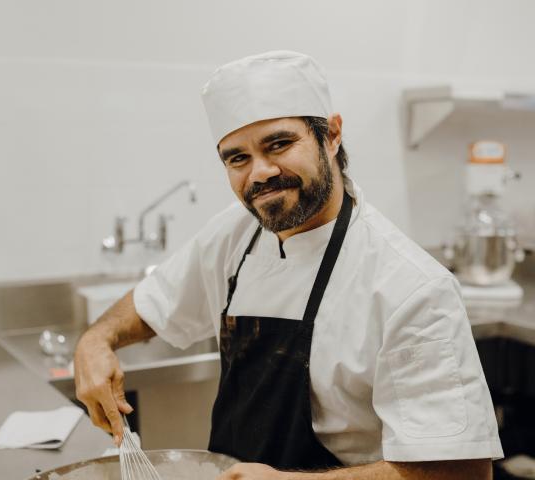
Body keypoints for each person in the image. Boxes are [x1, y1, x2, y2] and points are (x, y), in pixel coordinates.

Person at [74, 51, 503, 479]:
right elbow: (154, 302)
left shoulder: (410, 286)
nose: (259, 173)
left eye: (278, 144)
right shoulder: (235, 235)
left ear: (331, 135)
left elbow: (461, 472)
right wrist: (96, 341)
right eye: (237, 158)